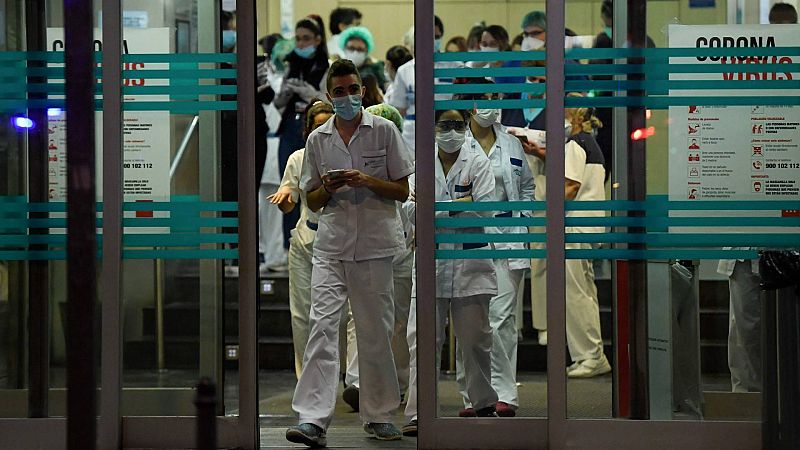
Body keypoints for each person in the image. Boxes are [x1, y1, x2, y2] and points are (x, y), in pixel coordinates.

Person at [285, 59, 414, 447]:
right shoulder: (318, 140)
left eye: (352, 89)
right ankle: (312, 419)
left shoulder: (385, 131)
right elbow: (312, 196)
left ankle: (378, 415)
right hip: (332, 245)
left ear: (362, 90)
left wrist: (367, 180)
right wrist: (330, 186)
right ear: (329, 95)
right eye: (338, 92)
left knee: (375, 332)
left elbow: (401, 190)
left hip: (375, 245)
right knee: (322, 329)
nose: (346, 97)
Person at [403, 108, 499, 435]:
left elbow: (485, 211)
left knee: (475, 342)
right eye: (446, 124)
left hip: (472, 264)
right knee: (424, 342)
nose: (453, 130)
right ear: (433, 128)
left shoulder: (478, 162)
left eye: (459, 125)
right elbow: (410, 211)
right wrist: (459, 203)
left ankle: (483, 404)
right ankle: (420, 413)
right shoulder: (420, 164)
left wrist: (438, 208)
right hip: (432, 263)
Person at [453, 79, 534, 418]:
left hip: (509, 237)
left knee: (502, 318)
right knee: (471, 321)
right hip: (471, 237)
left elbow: (527, 186)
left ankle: (504, 393)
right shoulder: (457, 143)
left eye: (496, 96)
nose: (493, 103)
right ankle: (474, 395)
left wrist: (524, 219)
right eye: (485, 98)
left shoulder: (512, 144)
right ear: (471, 104)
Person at [525, 93, 611, 378]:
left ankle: (590, 355)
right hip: (590, 227)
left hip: (575, 228)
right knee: (584, 292)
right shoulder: (590, 143)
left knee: (576, 295)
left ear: (573, 116)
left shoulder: (575, 144)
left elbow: (569, 187)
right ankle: (589, 353)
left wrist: (544, 202)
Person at [341, 103, 415, 415]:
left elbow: (413, 207)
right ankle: (359, 383)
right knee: (361, 317)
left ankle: (396, 383)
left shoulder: (410, 164)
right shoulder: (352, 165)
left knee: (397, 322)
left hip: (403, 252)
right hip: (365, 250)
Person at [268, 100, 334, 378]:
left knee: (337, 317)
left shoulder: (349, 155)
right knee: (302, 314)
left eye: (329, 125)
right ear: (308, 130)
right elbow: (289, 199)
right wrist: (284, 200)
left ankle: (340, 375)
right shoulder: (298, 158)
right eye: (318, 126)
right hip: (306, 240)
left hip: (339, 243)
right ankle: (307, 377)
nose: (324, 131)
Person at [271, 17, 330, 253]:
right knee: (288, 186)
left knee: (315, 184)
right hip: (290, 128)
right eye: (298, 38)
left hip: (315, 125)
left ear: (317, 40)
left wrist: (311, 94)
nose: (301, 43)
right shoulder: (290, 65)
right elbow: (277, 103)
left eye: (307, 38)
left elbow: (328, 102)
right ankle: (290, 246)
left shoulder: (326, 68)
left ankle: (318, 240)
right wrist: (285, 93)